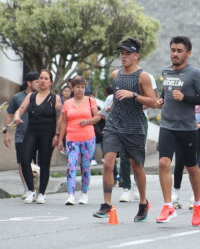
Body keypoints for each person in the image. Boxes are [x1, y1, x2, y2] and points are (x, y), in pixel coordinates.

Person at [92, 37, 156, 222]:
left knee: (136, 167)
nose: (123, 56)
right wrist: (112, 105)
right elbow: (116, 96)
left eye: (128, 53)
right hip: (114, 125)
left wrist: (134, 95)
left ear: (136, 56)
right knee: (107, 163)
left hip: (134, 127)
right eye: (121, 53)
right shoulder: (115, 74)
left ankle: (143, 203)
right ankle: (106, 204)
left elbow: (152, 101)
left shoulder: (143, 77)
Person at [156, 36, 200, 226]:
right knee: (163, 163)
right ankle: (168, 205)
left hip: (187, 127)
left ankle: (197, 205)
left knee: (191, 167)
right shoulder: (166, 71)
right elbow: (167, 91)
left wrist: (185, 98)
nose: (175, 54)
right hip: (167, 125)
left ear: (188, 53)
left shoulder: (194, 73)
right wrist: (162, 99)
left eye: (179, 50)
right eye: (172, 50)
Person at [14, 69, 62, 204]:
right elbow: (20, 110)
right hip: (32, 132)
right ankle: (30, 190)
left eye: (46, 78)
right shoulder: (31, 96)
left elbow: (59, 118)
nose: (42, 80)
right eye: (41, 78)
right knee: (24, 159)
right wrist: (17, 117)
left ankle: (41, 193)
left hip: (48, 133)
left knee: (44, 163)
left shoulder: (55, 98)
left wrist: (57, 135)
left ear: (51, 82)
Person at [58, 75, 101, 205]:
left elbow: (97, 117)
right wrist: (60, 139)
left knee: (85, 166)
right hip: (71, 139)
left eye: (83, 87)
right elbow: (63, 123)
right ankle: (71, 195)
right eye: (77, 87)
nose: (80, 90)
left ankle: (84, 193)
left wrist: (87, 121)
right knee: (71, 164)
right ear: (72, 88)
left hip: (88, 138)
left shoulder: (90, 101)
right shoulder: (67, 103)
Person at [118, 73, 158, 202]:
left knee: (138, 155)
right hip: (124, 120)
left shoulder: (146, 77)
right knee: (124, 154)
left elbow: (154, 100)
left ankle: (137, 184)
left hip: (139, 120)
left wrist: (136, 105)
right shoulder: (119, 77)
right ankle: (126, 189)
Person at [4, 71, 40, 198]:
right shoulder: (17, 98)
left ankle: (36, 188)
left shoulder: (40, 97)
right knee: (22, 162)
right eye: (37, 81)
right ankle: (26, 188)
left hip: (37, 135)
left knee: (35, 163)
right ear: (29, 83)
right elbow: (9, 115)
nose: (40, 83)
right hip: (21, 135)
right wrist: (6, 134)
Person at [171, 105, 200, 209]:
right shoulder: (183, 95)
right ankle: (175, 194)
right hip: (181, 130)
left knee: (194, 164)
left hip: (196, 133)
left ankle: (194, 197)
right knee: (179, 163)